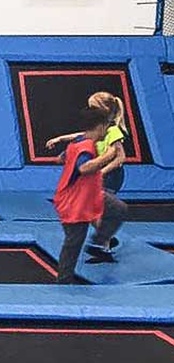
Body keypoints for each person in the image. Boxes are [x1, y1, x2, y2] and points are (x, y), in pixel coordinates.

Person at [52, 107, 125, 284]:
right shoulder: (85, 146)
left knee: (117, 208)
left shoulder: (81, 139)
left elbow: (63, 157)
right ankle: (64, 280)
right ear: (100, 127)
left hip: (89, 195)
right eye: (105, 128)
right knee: (74, 241)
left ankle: (99, 240)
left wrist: (64, 155)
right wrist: (107, 156)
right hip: (73, 201)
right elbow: (84, 168)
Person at [45, 91, 127, 193]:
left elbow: (120, 157)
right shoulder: (100, 128)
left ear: (103, 110)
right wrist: (60, 139)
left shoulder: (113, 130)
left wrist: (103, 172)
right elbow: (82, 135)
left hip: (111, 175)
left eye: (93, 108)